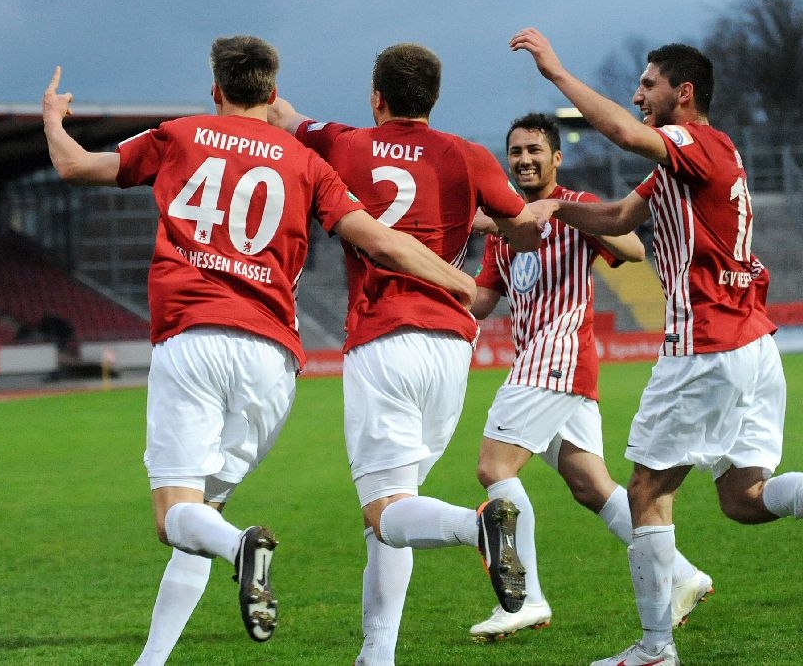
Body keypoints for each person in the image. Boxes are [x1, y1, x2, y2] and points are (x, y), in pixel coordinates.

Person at [42, 35, 477, 665]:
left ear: (215, 89)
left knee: (175, 516)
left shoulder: (179, 135)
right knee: (203, 511)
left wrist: (54, 119)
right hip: (271, 358)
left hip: (194, 337)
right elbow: (380, 241)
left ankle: (241, 547)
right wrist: (455, 279)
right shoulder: (305, 162)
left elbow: (75, 166)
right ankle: (152, 658)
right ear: (272, 93)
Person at [510, 27, 803, 666]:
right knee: (743, 499)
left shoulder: (696, 144)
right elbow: (620, 218)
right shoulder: (694, 160)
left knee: (646, 491)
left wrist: (556, 73)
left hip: (704, 346)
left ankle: (655, 650)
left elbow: (624, 133)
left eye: (647, 85)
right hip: (752, 346)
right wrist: (558, 210)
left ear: (683, 94)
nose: (637, 95)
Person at [268, 42, 542, 665]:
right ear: (434, 99)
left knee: (385, 508)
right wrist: (487, 220)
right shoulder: (469, 156)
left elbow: (283, 116)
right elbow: (526, 230)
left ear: (376, 97)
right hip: (450, 344)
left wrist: (252, 85)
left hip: (384, 336)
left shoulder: (342, 142)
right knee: (397, 504)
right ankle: (378, 653)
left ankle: (476, 527)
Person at [467, 112, 713, 641]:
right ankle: (683, 575)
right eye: (516, 152)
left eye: (535, 150)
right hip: (548, 364)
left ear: (556, 158)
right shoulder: (504, 226)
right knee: (591, 486)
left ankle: (525, 598)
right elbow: (482, 301)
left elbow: (634, 249)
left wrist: (569, 215)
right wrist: (426, 275)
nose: (525, 159)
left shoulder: (575, 206)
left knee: (494, 466)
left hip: (556, 356)